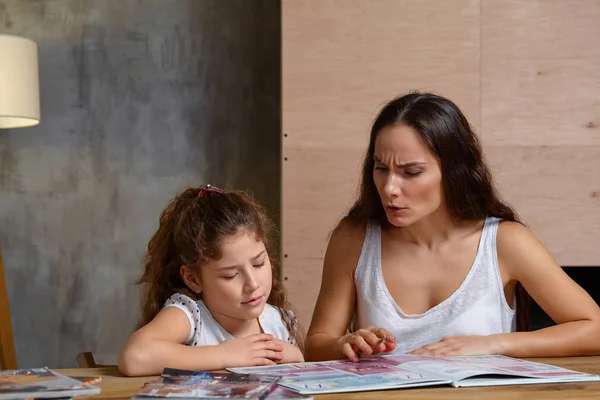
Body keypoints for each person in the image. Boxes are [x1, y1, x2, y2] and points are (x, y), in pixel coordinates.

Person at [304, 92, 600, 362]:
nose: (390, 188)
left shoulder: (504, 242)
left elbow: (594, 328)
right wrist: (348, 343)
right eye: (381, 168)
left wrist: (492, 344)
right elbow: (316, 345)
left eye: (411, 172)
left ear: (454, 172)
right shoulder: (353, 239)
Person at [118, 184, 304, 376]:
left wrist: (296, 357)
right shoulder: (191, 315)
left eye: (258, 264)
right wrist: (224, 355)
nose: (253, 284)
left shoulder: (277, 320)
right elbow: (135, 357)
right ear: (193, 279)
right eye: (230, 275)